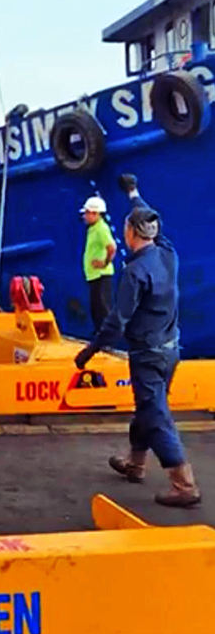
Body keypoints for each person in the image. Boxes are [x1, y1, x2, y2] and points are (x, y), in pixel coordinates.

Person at [74, 187, 200, 508]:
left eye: (127, 226)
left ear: (131, 233)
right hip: (171, 350)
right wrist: (134, 194)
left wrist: (89, 351)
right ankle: (135, 463)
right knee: (147, 406)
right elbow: (157, 223)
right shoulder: (168, 254)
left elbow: (117, 321)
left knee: (155, 414)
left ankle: (184, 484)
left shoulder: (135, 273)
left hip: (147, 355)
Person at [81, 196, 117, 333]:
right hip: (94, 275)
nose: (84, 216)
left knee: (103, 307)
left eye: (87, 213)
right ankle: (99, 335)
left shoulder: (101, 228)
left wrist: (105, 263)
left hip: (101, 275)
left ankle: (107, 337)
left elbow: (111, 247)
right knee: (96, 307)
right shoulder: (93, 228)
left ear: (95, 213)